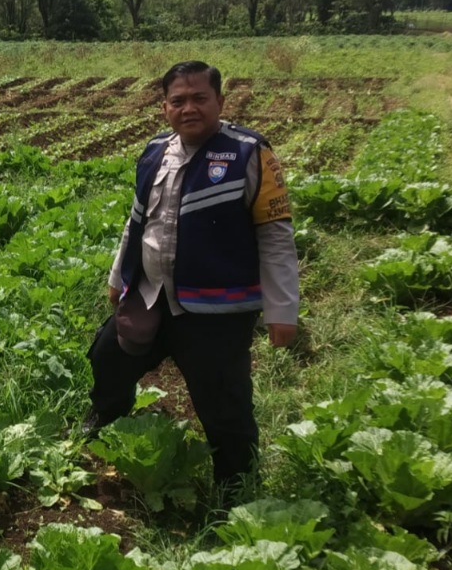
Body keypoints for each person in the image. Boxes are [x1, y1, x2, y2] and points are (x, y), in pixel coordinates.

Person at [84, 60, 299, 498]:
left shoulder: (248, 153)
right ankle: (106, 422)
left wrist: (282, 310)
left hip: (215, 308)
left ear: (220, 101)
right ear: (164, 108)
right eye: (177, 100)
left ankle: (236, 485)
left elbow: (275, 237)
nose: (189, 108)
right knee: (108, 358)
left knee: (223, 403)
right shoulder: (154, 152)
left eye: (200, 98)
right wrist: (116, 276)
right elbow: (136, 222)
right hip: (151, 294)